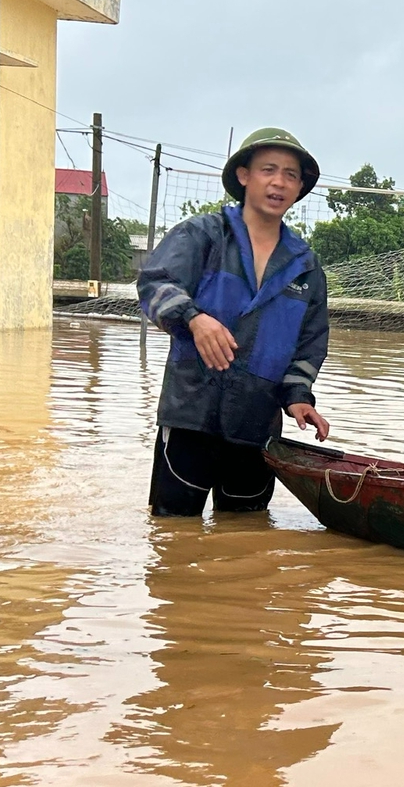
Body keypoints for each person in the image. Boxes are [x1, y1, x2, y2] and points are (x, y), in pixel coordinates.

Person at [137, 127, 332, 517]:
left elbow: (310, 344)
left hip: (256, 424)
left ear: (299, 187)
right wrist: (194, 319)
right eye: (268, 170)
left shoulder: (305, 267)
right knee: (173, 536)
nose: (279, 182)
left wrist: (297, 398)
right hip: (191, 411)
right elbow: (154, 283)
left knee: (246, 543)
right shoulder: (204, 236)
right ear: (244, 176)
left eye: (291, 175)